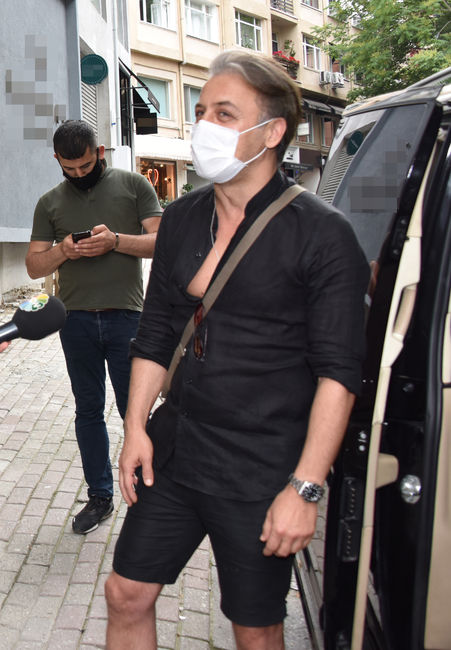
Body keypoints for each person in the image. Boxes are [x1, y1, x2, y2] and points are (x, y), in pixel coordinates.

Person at [105, 50, 369, 650]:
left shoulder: (323, 235)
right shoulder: (181, 218)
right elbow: (157, 331)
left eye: (224, 114)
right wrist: (136, 427)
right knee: (126, 593)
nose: (204, 125)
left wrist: (305, 489)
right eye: (201, 111)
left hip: (261, 468)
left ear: (271, 133)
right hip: (176, 450)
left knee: (255, 630)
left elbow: (339, 373)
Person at [26, 120, 162, 535]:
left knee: (135, 411)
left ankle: (151, 496)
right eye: (70, 168)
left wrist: (116, 241)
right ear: (57, 160)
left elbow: (164, 242)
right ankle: (100, 497)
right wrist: (63, 251)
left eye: (86, 165)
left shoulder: (134, 185)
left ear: (99, 152)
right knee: (88, 411)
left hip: (127, 318)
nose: (79, 174)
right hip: (76, 321)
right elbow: (33, 266)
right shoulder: (49, 202)